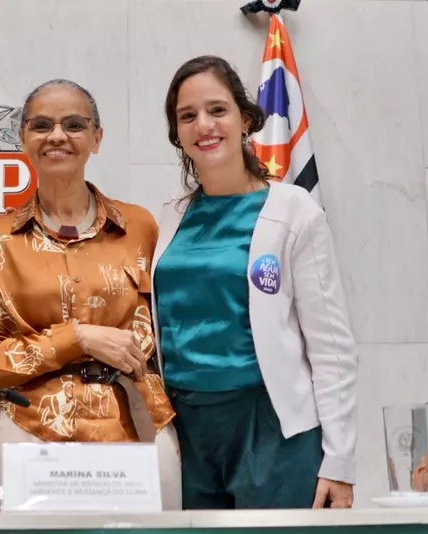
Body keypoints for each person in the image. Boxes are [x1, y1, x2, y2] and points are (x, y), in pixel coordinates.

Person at [0, 79, 182, 509]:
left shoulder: (140, 229)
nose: (57, 136)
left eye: (74, 125)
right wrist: (77, 339)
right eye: (41, 125)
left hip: (135, 426)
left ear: (96, 139)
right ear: (22, 138)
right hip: (30, 429)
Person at [151, 56, 358, 509]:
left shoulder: (294, 210)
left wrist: (339, 463)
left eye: (217, 110)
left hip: (271, 429)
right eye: (188, 116)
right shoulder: (169, 217)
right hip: (186, 429)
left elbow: (332, 347)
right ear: (178, 135)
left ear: (245, 119)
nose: (203, 125)